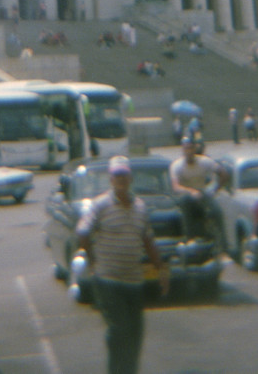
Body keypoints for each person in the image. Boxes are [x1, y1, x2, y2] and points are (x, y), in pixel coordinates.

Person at [75, 156, 168, 374]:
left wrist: (161, 268)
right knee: (118, 330)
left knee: (135, 333)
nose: (121, 180)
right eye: (117, 176)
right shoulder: (100, 205)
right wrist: (92, 259)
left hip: (133, 281)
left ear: (131, 178)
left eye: (124, 175)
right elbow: (82, 231)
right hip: (108, 279)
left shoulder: (140, 207)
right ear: (111, 179)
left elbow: (147, 240)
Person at [168, 137, 225, 254]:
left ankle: (221, 244)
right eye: (186, 149)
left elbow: (223, 173)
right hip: (186, 194)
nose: (188, 151)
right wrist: (191, 191)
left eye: (190, 148)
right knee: (185, 202)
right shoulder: (176, 165)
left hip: (202, 192)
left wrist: (216, 188)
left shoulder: (205, 161)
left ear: (195, 149)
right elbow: (176, 187)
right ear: (182, 150)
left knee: (217, 210)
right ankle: (190, 238)